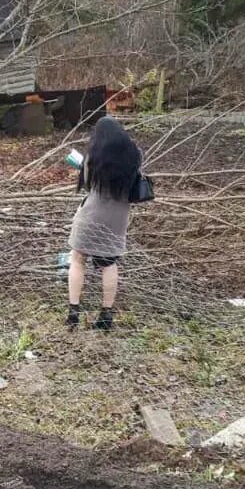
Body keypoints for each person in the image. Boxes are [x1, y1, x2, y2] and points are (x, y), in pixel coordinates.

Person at [66, 116, 142, 331]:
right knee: (108, 265)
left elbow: (89, 185)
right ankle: (106, 314)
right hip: (117, 220)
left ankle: (73, 311)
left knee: (78, 259)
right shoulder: (135, 156)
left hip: (91, 217)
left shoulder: (93, 157)